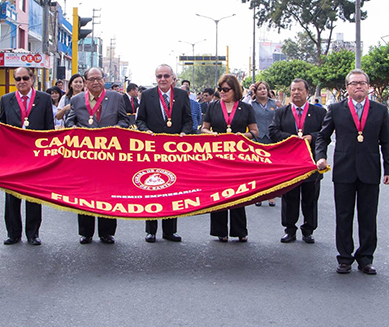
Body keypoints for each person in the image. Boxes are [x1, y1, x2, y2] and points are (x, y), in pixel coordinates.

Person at [315, 69, 389, 275]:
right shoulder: (335, 109)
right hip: (344, 170)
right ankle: (344, 258)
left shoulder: (379, 110)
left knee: (368, 217)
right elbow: (323, 136)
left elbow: (387, 142)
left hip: (370, 170)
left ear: (369, 87)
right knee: (344, 216)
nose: (358, 86)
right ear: (347, 88)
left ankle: (366, 258)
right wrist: (320, 156)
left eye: (362, 83)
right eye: (354, 83)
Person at [66, 67, 131, 244]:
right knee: (85, 193)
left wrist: (119, 128)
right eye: (91, 79)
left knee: (108, 193)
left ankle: (107, 232)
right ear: (85, 82)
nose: (96, 82)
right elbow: (70, 120)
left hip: (110, 156)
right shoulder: (77, 99)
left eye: (99, 78)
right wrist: (71, 126)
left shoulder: (117, 97)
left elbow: (124, 119)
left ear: (104, 80)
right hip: (85, 156)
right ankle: (86, 232)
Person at [136, 64, 193, 243]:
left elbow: (188, 120)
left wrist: (184, 133)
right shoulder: (146, 95)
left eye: (166, 76)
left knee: (171, 190)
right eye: (159, 76)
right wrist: (146, 132)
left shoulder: (182, 95)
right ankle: (150, 230)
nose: (162, 79)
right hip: (152, 151)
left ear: (172, 78)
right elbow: (140, 121)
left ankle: (170, 231)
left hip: (174, 152)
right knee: (152, 188)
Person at [0, 67, 55, 246]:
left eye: (25, 78)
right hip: (13, 157)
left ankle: (33, 233)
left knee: (33, 195)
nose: (21, 81)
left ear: (32, 79)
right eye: (18, 79)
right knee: (12, 196)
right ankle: (13, 233)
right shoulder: (6, 99)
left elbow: (49, 128)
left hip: (36, 156)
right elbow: (3, 125)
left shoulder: (44, 99)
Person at [201, 74, 258, 242]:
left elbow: (255, 132)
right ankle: (220, 231)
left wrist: (243, 135)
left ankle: (240, 230)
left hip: (238, 156)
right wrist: (213, 134)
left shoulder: (246, 108)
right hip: (217, 156)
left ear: (235, 90)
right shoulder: (212, 107)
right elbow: (203, 128)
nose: (222, 92)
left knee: (238, 192)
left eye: (226, 89)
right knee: (218, 193)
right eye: (220, 89)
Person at [269, 79, 326, 243]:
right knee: (289, 197)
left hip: (311, 163)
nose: (296, 93)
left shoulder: (319, 113)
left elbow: (325, 133)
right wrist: (291, 139)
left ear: (307, 92)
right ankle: (289, 229)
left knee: (310, 198)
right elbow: (273, 131)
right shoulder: (281, 112)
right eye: (293, 90)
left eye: (300, 90)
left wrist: (311, 137)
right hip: (289, 164)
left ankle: (308, 230)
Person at [249, 81, 278, 207]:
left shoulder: (274, 103)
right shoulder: (251, 105)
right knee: (258, 168)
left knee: (272, 168)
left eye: (265, 88)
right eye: (260, 89)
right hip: (257, 138)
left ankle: (271, 195)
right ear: (255, 92)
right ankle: (259, 194)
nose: (263, 91)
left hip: (272, 138)